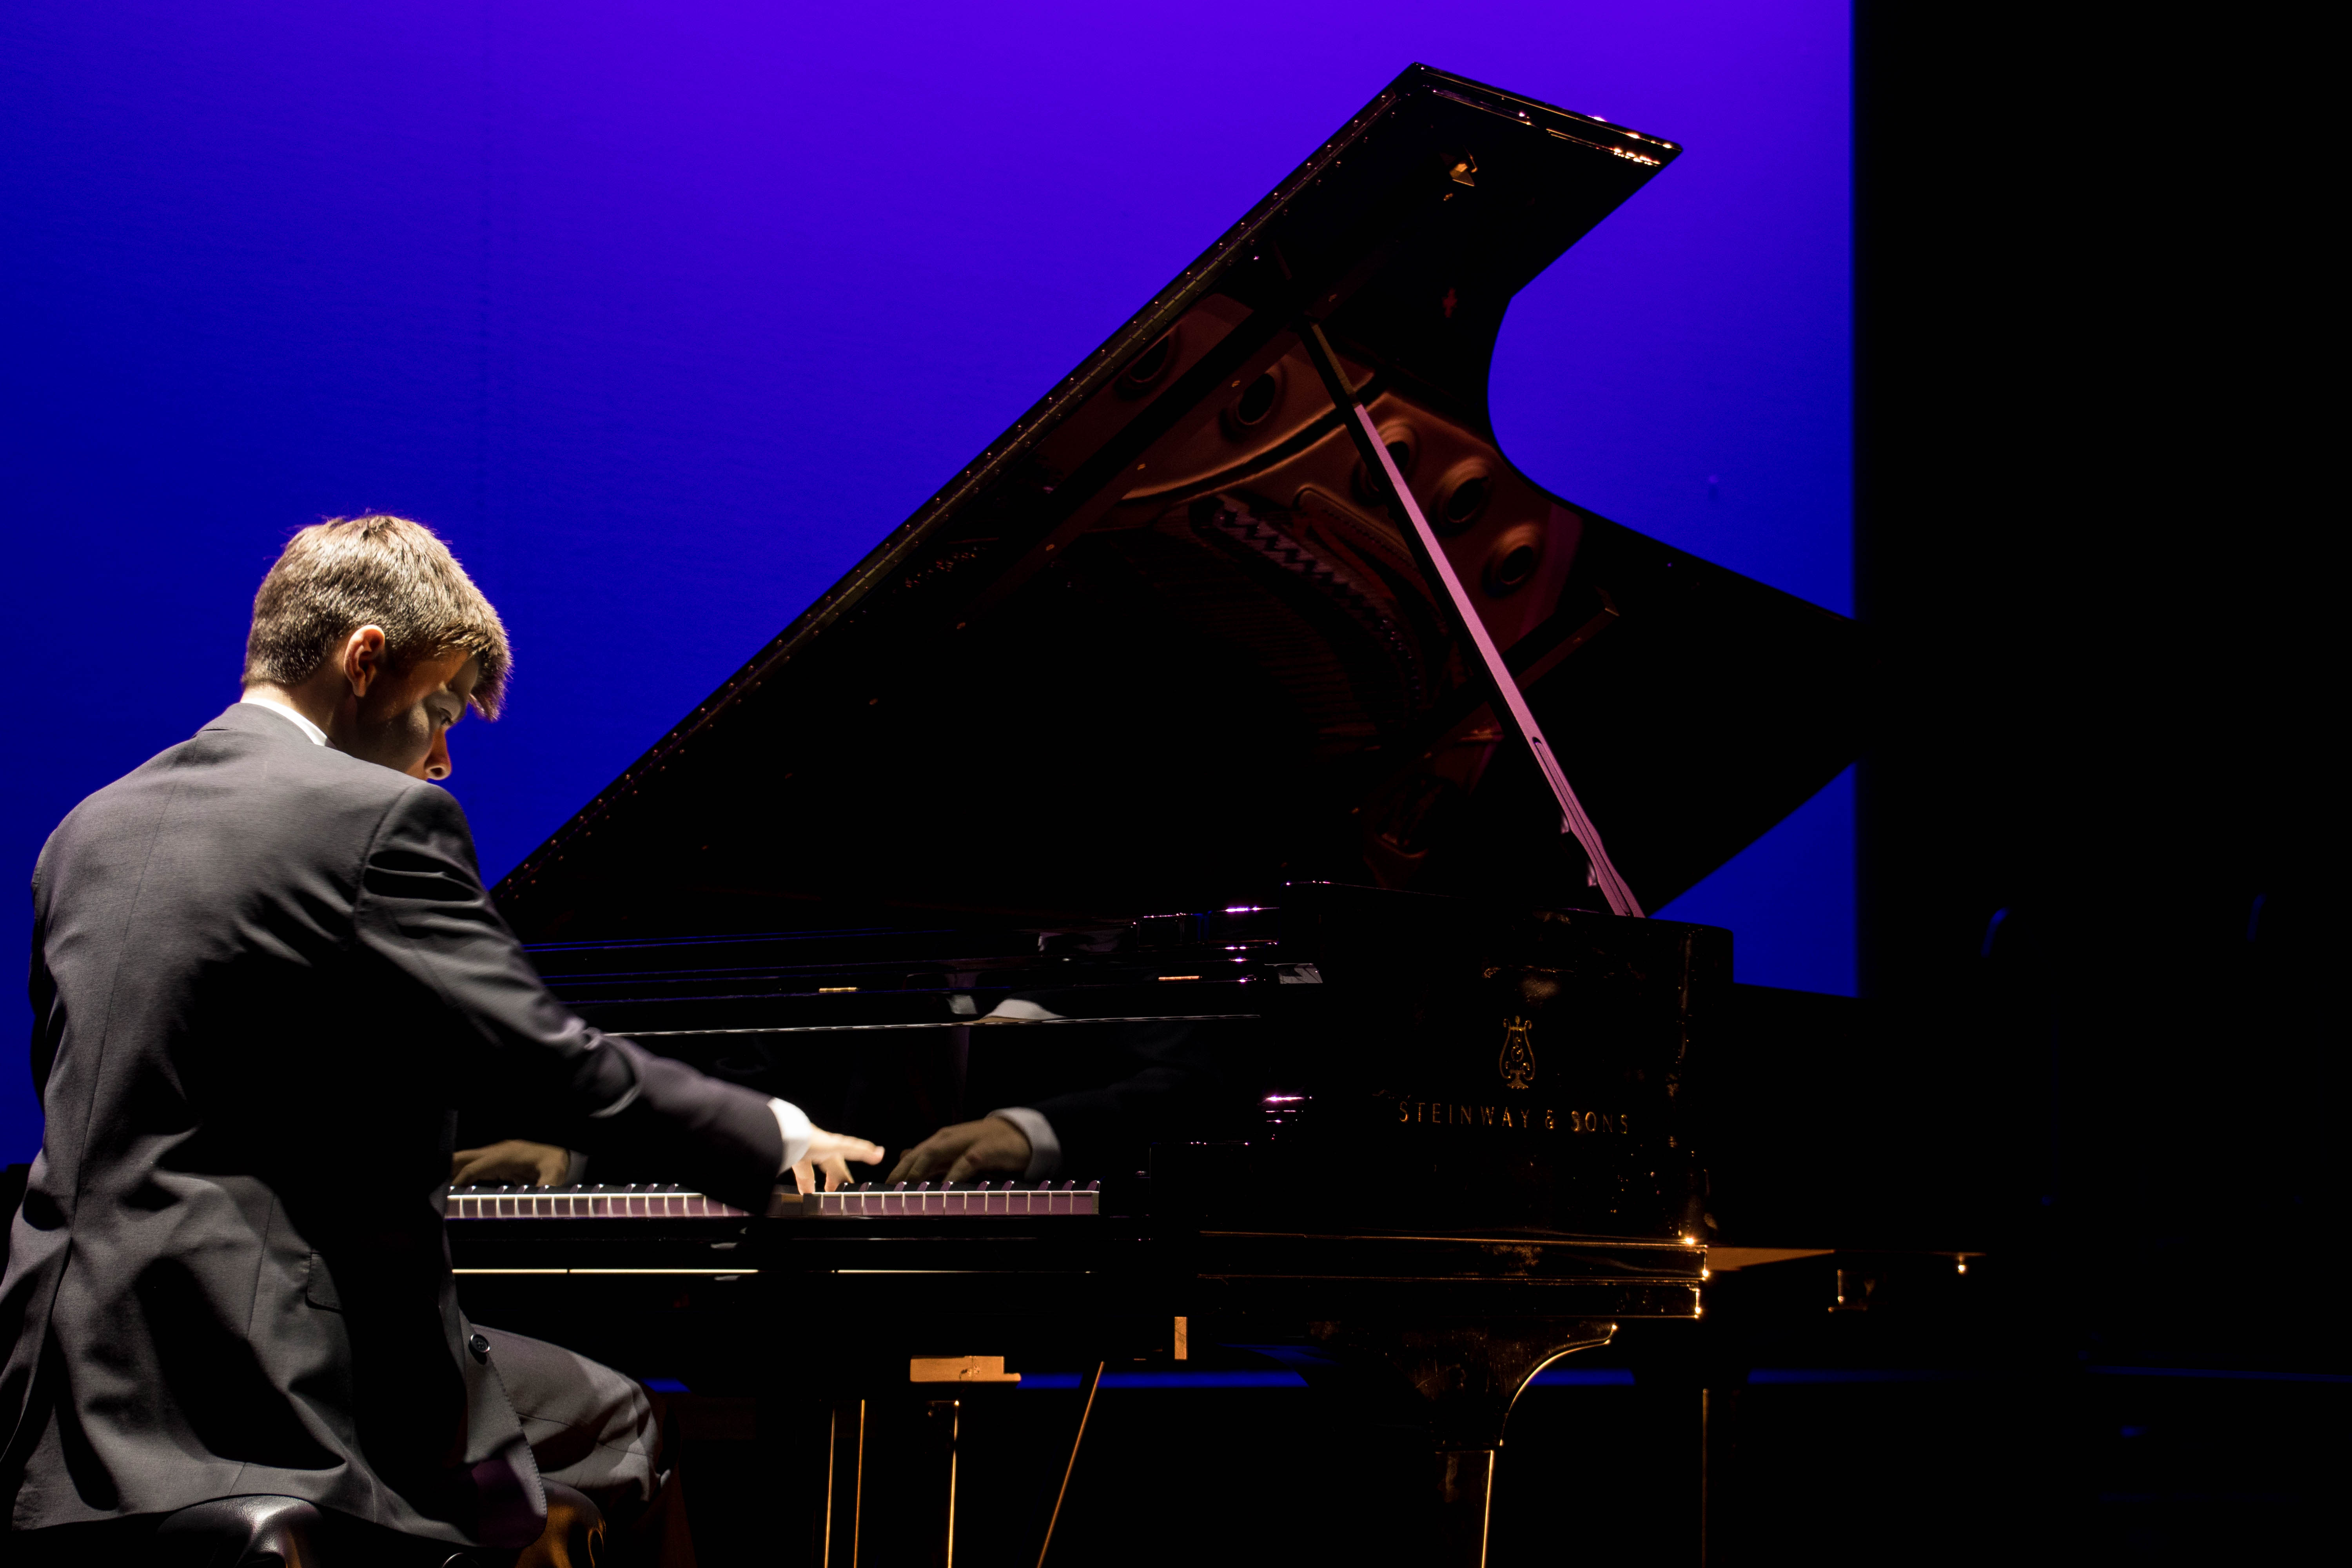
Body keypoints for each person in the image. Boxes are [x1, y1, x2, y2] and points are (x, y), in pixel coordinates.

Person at [0, 515, 880, 1561]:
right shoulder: (369, 820)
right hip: (265, 1370)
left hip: (60, 1379)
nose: (444, 757)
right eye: (443, 707)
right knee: (617, 1420)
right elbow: (549, 1063)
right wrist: (769, 1135)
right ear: (366, 659)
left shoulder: (89, 829)